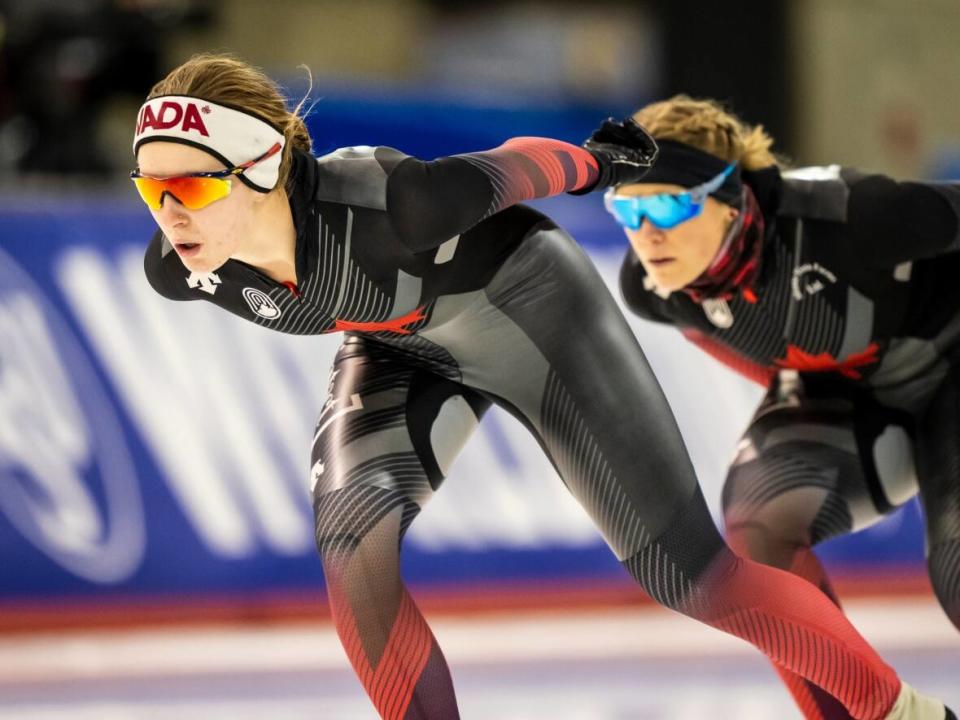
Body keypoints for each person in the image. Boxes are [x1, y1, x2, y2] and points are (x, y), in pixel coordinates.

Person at [134, 55, 951, 720]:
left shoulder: (397, 209)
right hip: (400, 344)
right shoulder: (179, 269)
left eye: (193, 187)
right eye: (150, 188)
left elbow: (516, 168)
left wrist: (603, 161)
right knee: (352, 536)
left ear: (265, 167)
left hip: (532, 310)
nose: (169, 213)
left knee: (690, 575)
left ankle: (906, 714)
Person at [605, 94, 960, 720]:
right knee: (757, 526)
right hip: (851, 392)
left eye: (667, 202)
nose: (648, 234)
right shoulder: (654, 288)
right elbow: (771, 356)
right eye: (627, 211)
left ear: (731, 195)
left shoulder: (852, 219)